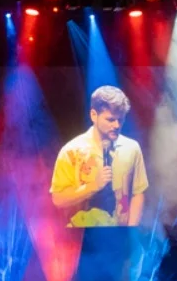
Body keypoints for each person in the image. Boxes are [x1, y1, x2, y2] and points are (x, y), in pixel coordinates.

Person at [51, 86, 148, 228]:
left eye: (120, 120)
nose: (116, 125)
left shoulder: (132, 148)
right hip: (81, 236)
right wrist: (93, 186)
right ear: (93, 115)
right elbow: (58, 199)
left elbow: (138, 193)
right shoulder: (71, 151)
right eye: (110, 119)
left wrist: (130, 231)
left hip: (118, 236)